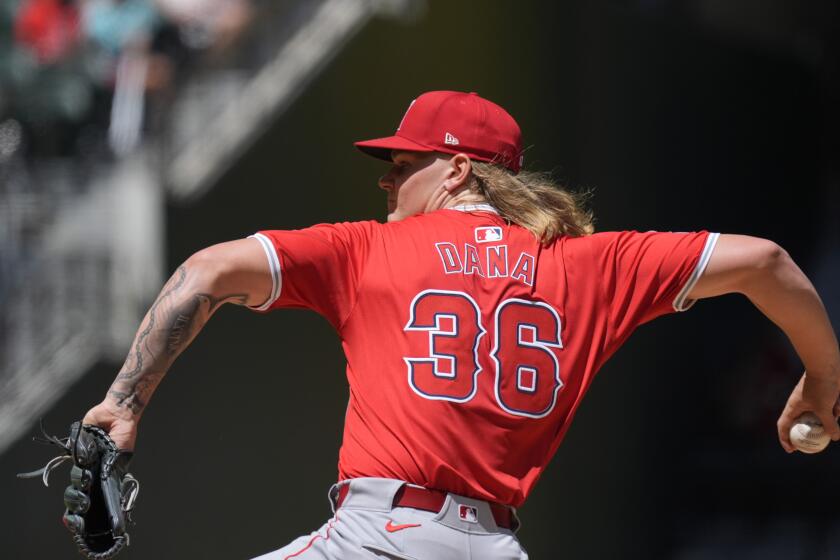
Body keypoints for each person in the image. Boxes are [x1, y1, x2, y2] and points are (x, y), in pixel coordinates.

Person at [81, 90, 840, 559]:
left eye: (404, 160)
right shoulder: (592, 265)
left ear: (457, 170)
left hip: (380, 540)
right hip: (493, 546)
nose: (385, 175)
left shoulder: (367, 248)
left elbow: (207, 273)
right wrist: (822, 382)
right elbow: (766, 262)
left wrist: (125, 401)